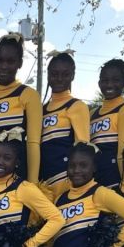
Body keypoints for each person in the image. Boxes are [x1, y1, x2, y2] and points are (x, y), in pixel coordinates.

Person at [0, 33, 42, 189]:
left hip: (16, 188)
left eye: (10, 61)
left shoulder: (28, 95)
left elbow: (33, 143)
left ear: (20, 63)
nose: (4, 66)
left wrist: (32, 186)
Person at [40, 49, 90, 189]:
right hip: (42, 185)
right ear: (48, 75)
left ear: (72, 75)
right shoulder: (41, 110)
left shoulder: (77, 106)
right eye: (54, 74)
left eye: (65, 74)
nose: (59, 79)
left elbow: (83, 150)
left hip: (66, 183)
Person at [90, 59, 124, 188]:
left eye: (116, 80)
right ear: (99, 83)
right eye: (105, 80)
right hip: (94, 181)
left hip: (115, 179)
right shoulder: (91, 114)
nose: (109, 84)